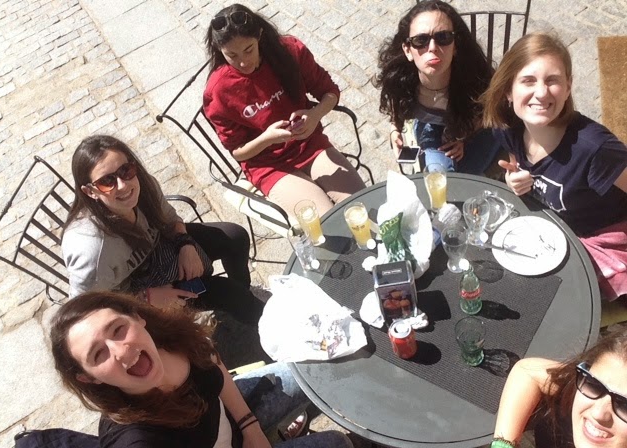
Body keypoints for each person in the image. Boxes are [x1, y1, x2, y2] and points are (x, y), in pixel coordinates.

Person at [50, 291, 355, 448]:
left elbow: (213, 364)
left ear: (137, 318)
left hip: (233, 420)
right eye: (98, 354)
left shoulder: (171, 338)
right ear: (89, 377)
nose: (120, 350)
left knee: (309, 367)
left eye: (118, 329)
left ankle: (273, 434)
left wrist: (251, 429)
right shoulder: (129, 442)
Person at [481, 33, 627, 301]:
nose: (541, 92)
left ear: (568, 88)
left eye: (552, 80)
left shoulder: (594, 148)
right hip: (555, 235)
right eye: (528, 80)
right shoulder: (508, 129)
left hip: (605, 240)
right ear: (508, 91)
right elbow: (517, 164)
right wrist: (514, 179)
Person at [62, 135, 264, 325]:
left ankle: (241, 300)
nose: (123, 185)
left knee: (235, 237)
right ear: (90, 192)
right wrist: (145, 298)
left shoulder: (143, 186)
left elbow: (169, 219)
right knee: (230, 294)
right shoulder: (91, 250)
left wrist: (185, 245)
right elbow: (88, 310)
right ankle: (259, 320)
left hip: (163, 249)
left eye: (125, 170)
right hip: (138, 297)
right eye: (107, 181)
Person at [203, 3, 366, 219]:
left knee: (361, 205)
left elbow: (330, 92)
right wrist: (268, 138)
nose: (242, 62)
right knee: (326, 220)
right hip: (268, 165)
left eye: (249, 49)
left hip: (310, 145)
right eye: (231, 55)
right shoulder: (219, 90)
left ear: (259, 35)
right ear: (219, 51)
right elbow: (238, 152)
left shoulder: (289, 51)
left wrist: (315, 115)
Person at [475, 328, 627, 448]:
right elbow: (528, 372)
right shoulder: (585, 385)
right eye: (593, 384)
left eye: (625, 406)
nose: (598, 413)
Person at [374, 0, 498, 174]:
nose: (432, 48)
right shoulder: (400, 80)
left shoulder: (474, 79)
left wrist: (464, 137)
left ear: (455, 46)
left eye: (443, 37)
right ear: (408, 50)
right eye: (420, 40)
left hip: (477, 128)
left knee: (467, 177)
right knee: (439, 175)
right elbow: (397, 103)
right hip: (432, 128)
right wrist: (395, 129)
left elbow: (492, 112)